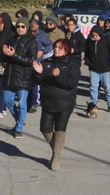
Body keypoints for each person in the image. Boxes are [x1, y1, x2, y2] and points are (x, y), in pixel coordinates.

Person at [32, 39, 80, 171]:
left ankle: (56, 158)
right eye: (55, 47)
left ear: (66, 50)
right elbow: (38, 81)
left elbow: (71, 83)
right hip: (48, 101)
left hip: (65, 102)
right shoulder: (47, 62)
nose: (56, 49)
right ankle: (58, 149)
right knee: (45, 129)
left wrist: (59, 76)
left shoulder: (72, 63)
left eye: (59, 47)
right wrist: (38, 73)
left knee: (60, 129)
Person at [2, 17, 37, 139]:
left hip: (23, 77)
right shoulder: (11, 39)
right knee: (8, 100)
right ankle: (19, 121)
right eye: (18, 26)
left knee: (22, 104)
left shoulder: (31, 41)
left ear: (26, 28)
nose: (20, 29)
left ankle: (19, 128)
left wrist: (14, 55)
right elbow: (4, 59)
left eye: (23, 26)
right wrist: (5, 54)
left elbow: (30, 61)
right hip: (10, 76)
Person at [84, 25, 110, 114]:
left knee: (107, 87)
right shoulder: (89, 41)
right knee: (93, 87)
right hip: (93, 68)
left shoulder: (107, 40)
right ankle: (93, 104)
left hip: (106, 68)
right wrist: (88, 62)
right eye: (93, 35)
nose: (94, 37)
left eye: (96, 35)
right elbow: (86, 53)